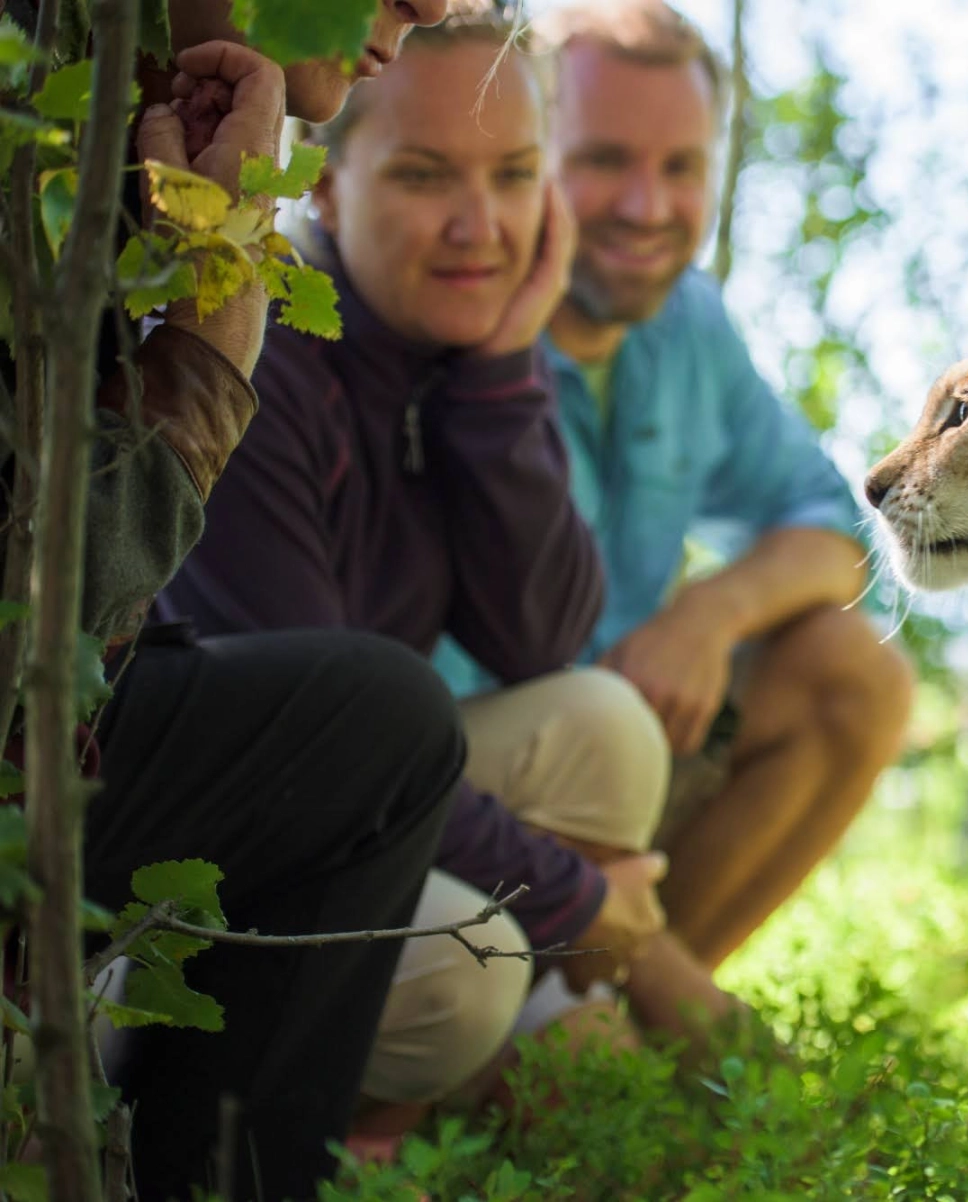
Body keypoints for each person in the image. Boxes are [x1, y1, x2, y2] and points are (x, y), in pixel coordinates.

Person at [154, 10, 706, 1143]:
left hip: (346, 797)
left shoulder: (459, 356)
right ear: (324, 188)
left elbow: (541, 635)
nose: (480, 226)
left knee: (606, 728)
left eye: (513, 176)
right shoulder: (265, 340)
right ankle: (277, 1132)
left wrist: (503, 371)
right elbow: (325, 748)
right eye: (422, 174)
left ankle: (402, 1117)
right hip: (185, 853)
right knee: (472, 965)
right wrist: (585, 901)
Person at [1, 2, 478, 1199]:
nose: (425, 17)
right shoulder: (27, 102)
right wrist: (209, 360)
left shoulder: (139, 125)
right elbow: (31, 647)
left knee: (380, 733)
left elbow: (545, 614)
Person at [436, 0, 914, 986]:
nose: (648, 208)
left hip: (620, 775)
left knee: (849, 672)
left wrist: (709, 612)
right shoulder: (450, 314)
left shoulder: (689, 324)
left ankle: (617, 1012)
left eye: (682, 166)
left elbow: (840, 532)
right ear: (528, 152)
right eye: (605, 158)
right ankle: (651, 1022)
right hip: (452, 801)